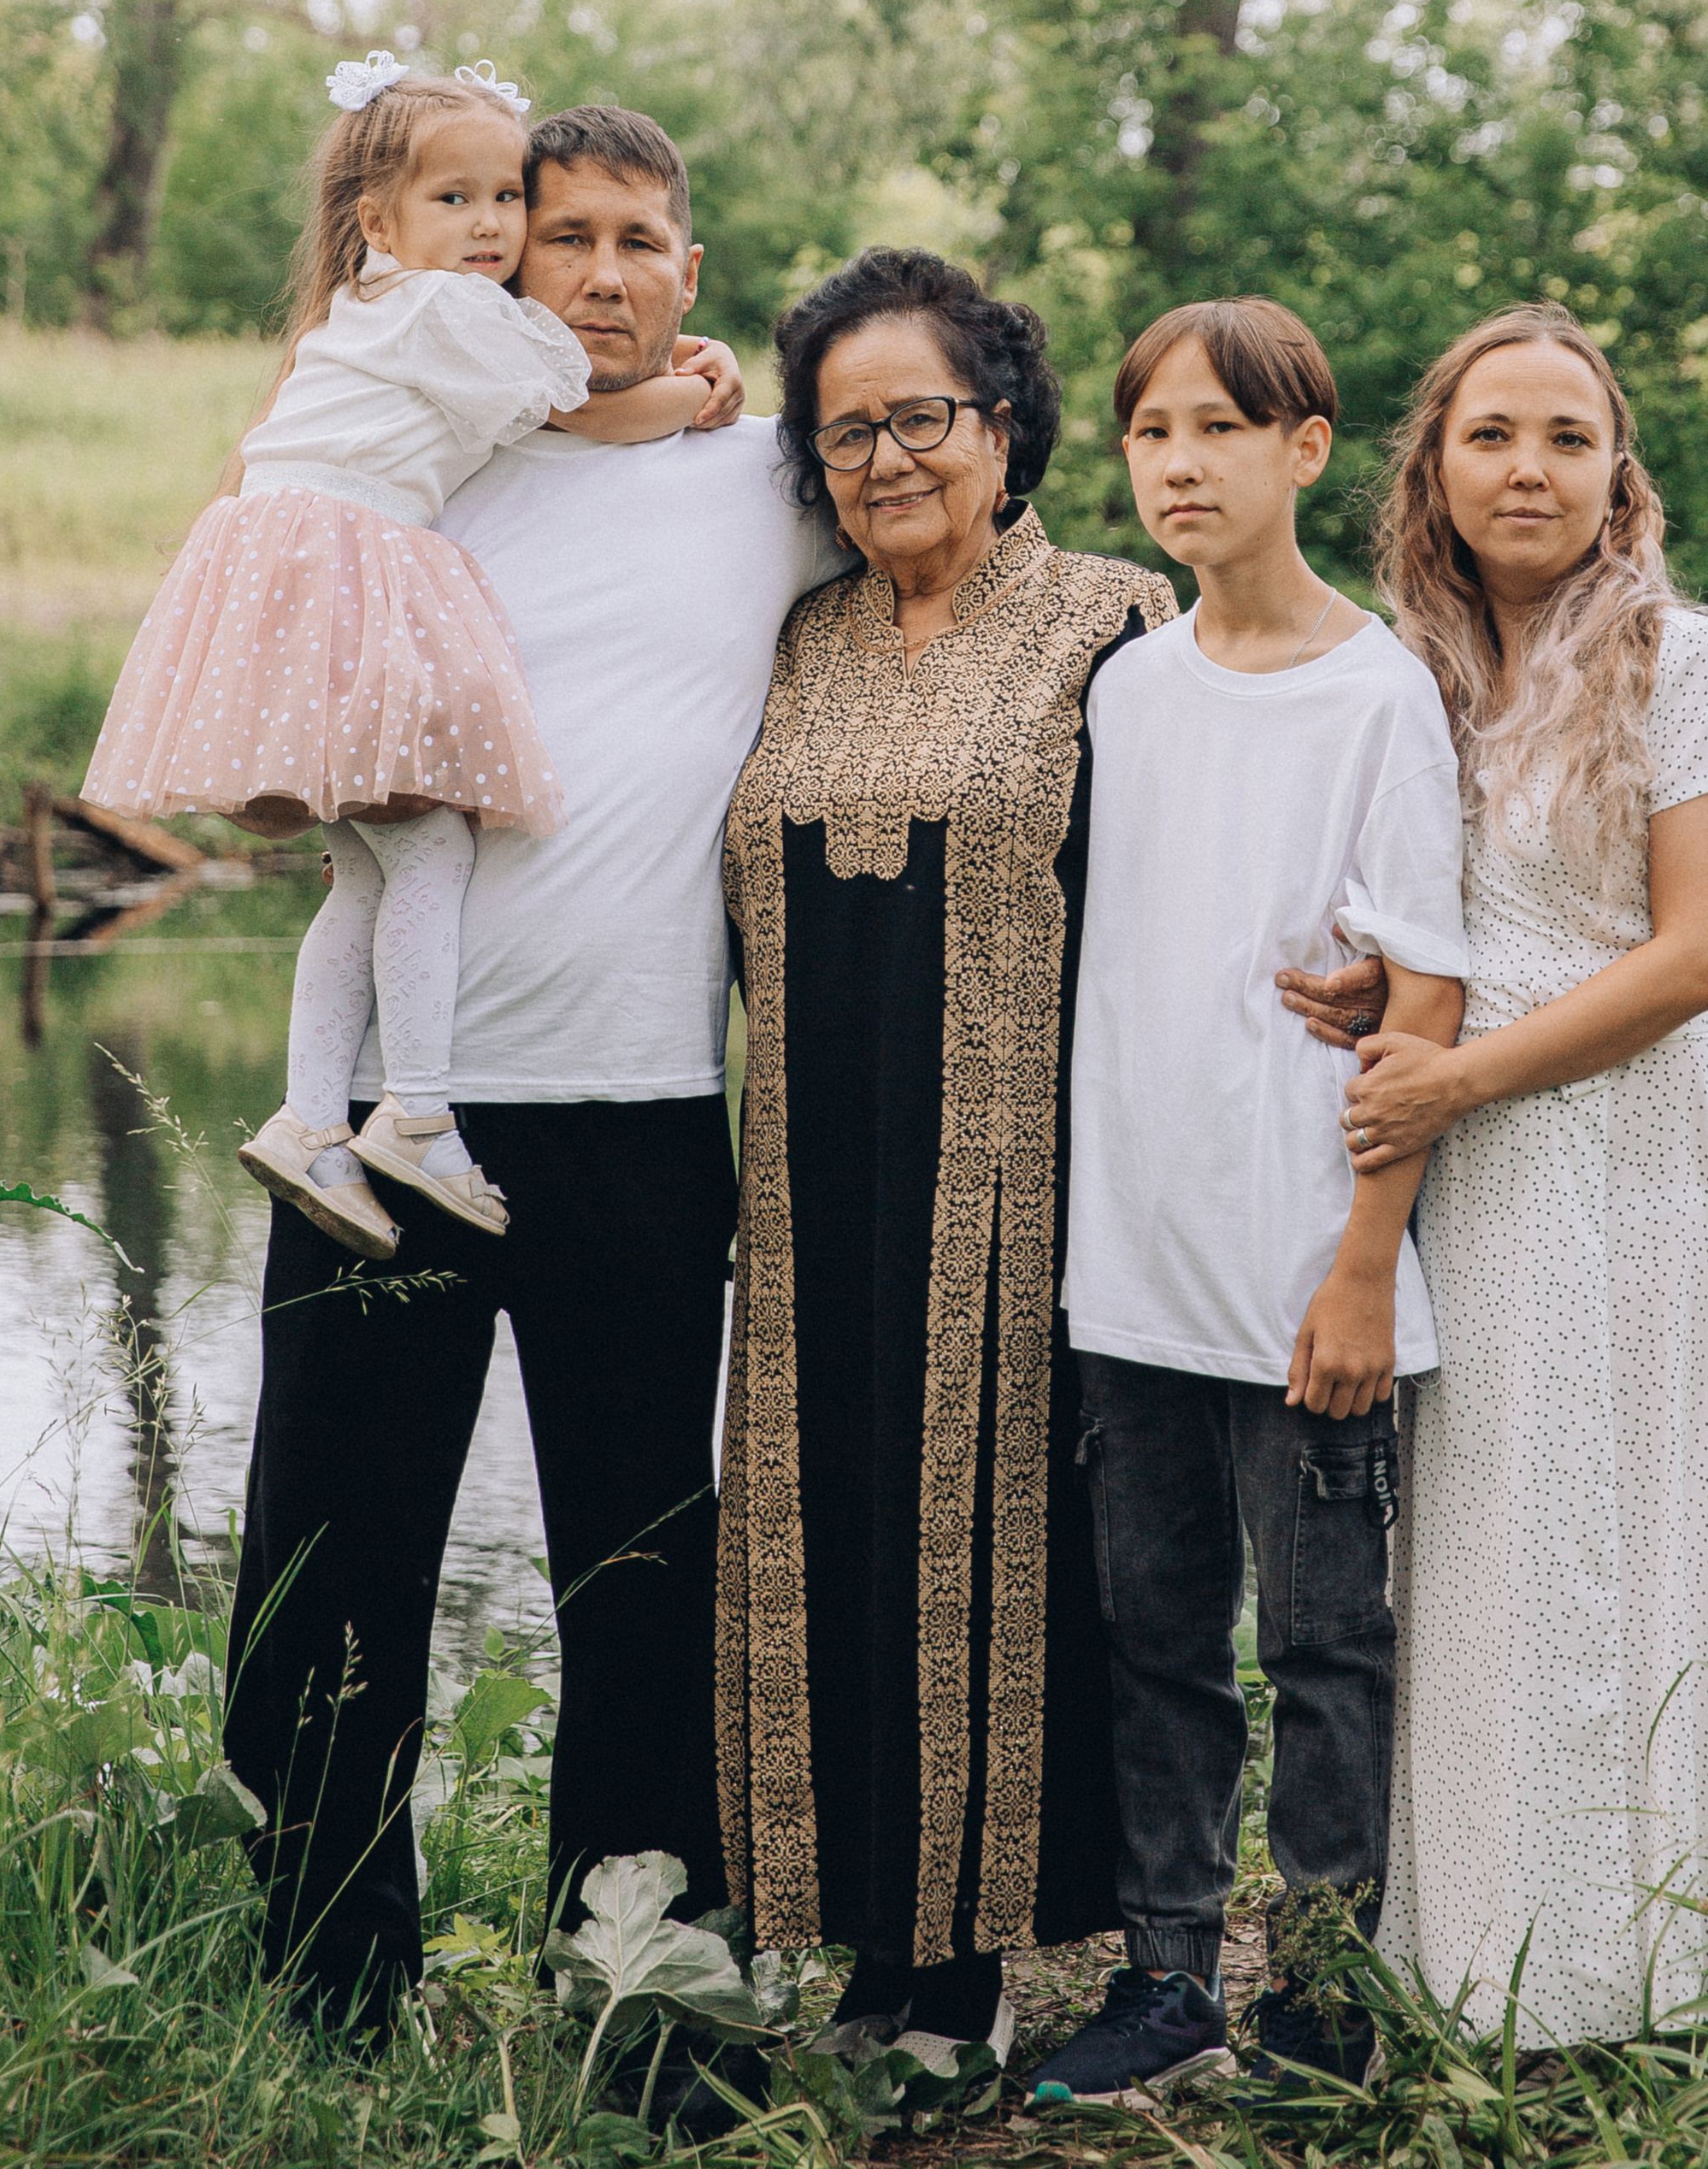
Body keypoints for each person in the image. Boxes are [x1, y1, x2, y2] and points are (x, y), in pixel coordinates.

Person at [221, 105, 843, 2048]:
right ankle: (330, 1977)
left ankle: (638, 1965)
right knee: (332, 1565)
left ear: (691, 267)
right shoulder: (414, 470)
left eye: (637, 239)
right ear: (495, 264)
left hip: (647, 1117)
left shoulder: (772, 481)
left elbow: (975, 561)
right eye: (556, 235)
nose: (595, 271)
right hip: (390, 1127)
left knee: (643, 1565)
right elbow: (256, 760)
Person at [1280, 301, 1708, 2048]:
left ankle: (1684, 1963)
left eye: (1564, 438)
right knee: (1490, 1542)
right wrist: (1381, 1009)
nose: (1527, 468)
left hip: (1628, 1150)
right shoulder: (1405, 669)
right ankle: (1496, 1966)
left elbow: (1689, 963)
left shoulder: (1688, 658)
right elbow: (1466, 928)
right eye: (1490, 434)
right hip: (1468, 1170)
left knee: (1647, 1526)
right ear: (1430, 468)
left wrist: (1452, 1077)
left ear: (1615, 473)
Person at [717, 248, 1175, 2067]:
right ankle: (856, 1958)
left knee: (981, 1543)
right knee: (817, 1530)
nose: (885, 458)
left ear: (1002, 425)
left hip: (1015, 1175)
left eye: (921, 417)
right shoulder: (802, 637)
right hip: (809, 1174)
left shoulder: (1113, 625)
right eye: (846, 432)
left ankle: (969, 1971)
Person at [1026, 299, 1468, 2110]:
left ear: (1305, 450)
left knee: (1324, 1647)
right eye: (1149, 434)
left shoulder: (1379, 694)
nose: (1180, 463)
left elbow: (1420, 998)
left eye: (1220, 428)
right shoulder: (1127, 684)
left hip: (1305, 1268)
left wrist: (1363, 1269)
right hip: (1132, 1262)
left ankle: (1329, 1991)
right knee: (1155, 1639)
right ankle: (1164, 1976)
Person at [82, 56, 738, 1257]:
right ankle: (416, 1110)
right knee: (428, 846)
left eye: (503, 200)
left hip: (298, 582)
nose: (489, 225)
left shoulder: (363, 310)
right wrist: (701, 383)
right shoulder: (450, 315)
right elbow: (587, 406)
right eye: (460, 202)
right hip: (349, 577)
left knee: (374, 869)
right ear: (378, 220)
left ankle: (309, 1119)